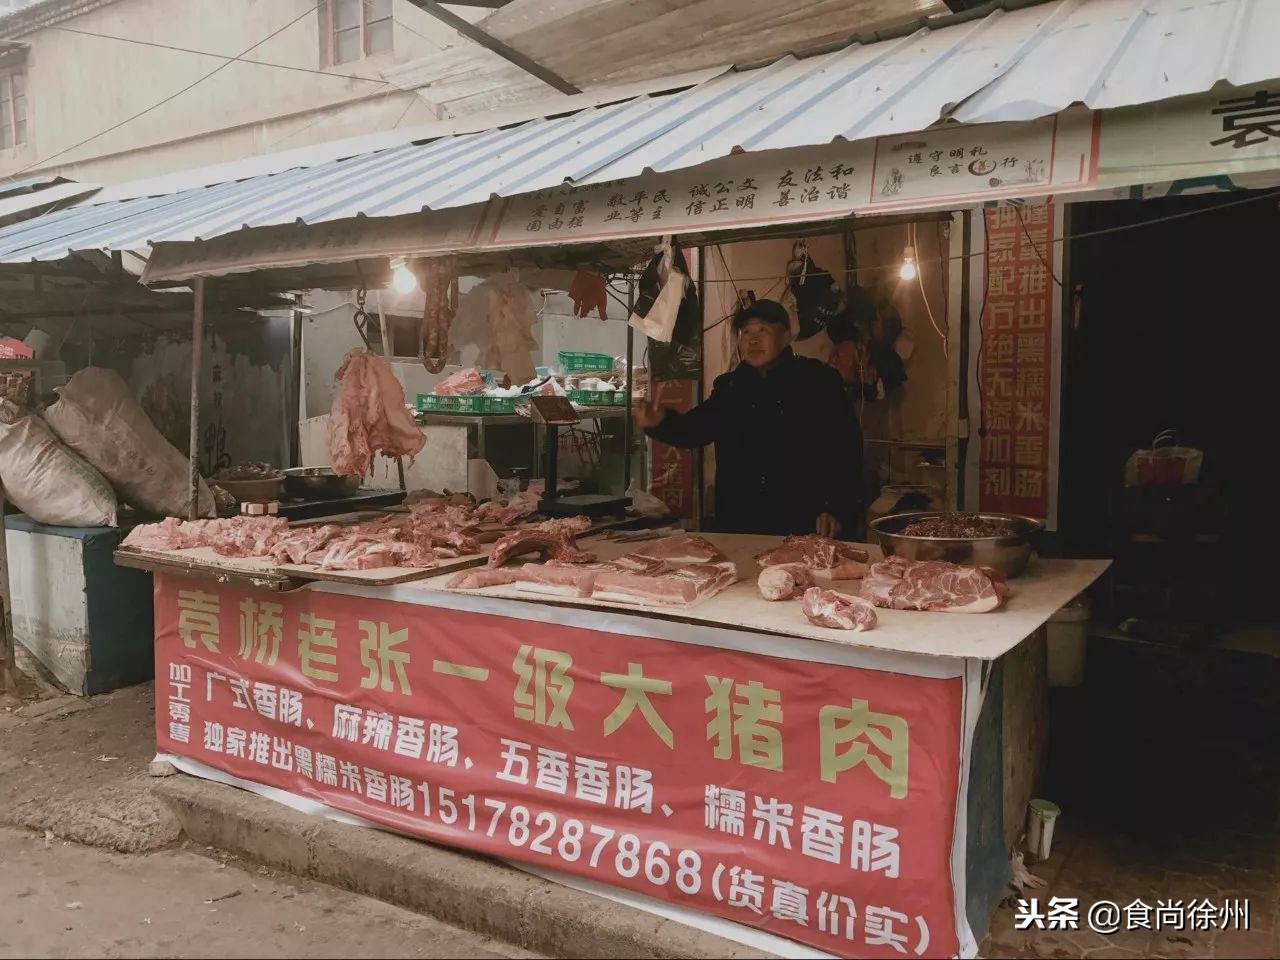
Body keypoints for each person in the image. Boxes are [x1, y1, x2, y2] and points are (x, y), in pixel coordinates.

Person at [633, 299, 863, 538]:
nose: (753, 340)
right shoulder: (730, 387)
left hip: (801, 524)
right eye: (746, 332)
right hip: (740, 524)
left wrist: (834, 507)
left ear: (786, 337)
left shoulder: (818, 381)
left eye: (763, 330)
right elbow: (695, 429)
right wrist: (660, 422)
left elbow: (846, 449)